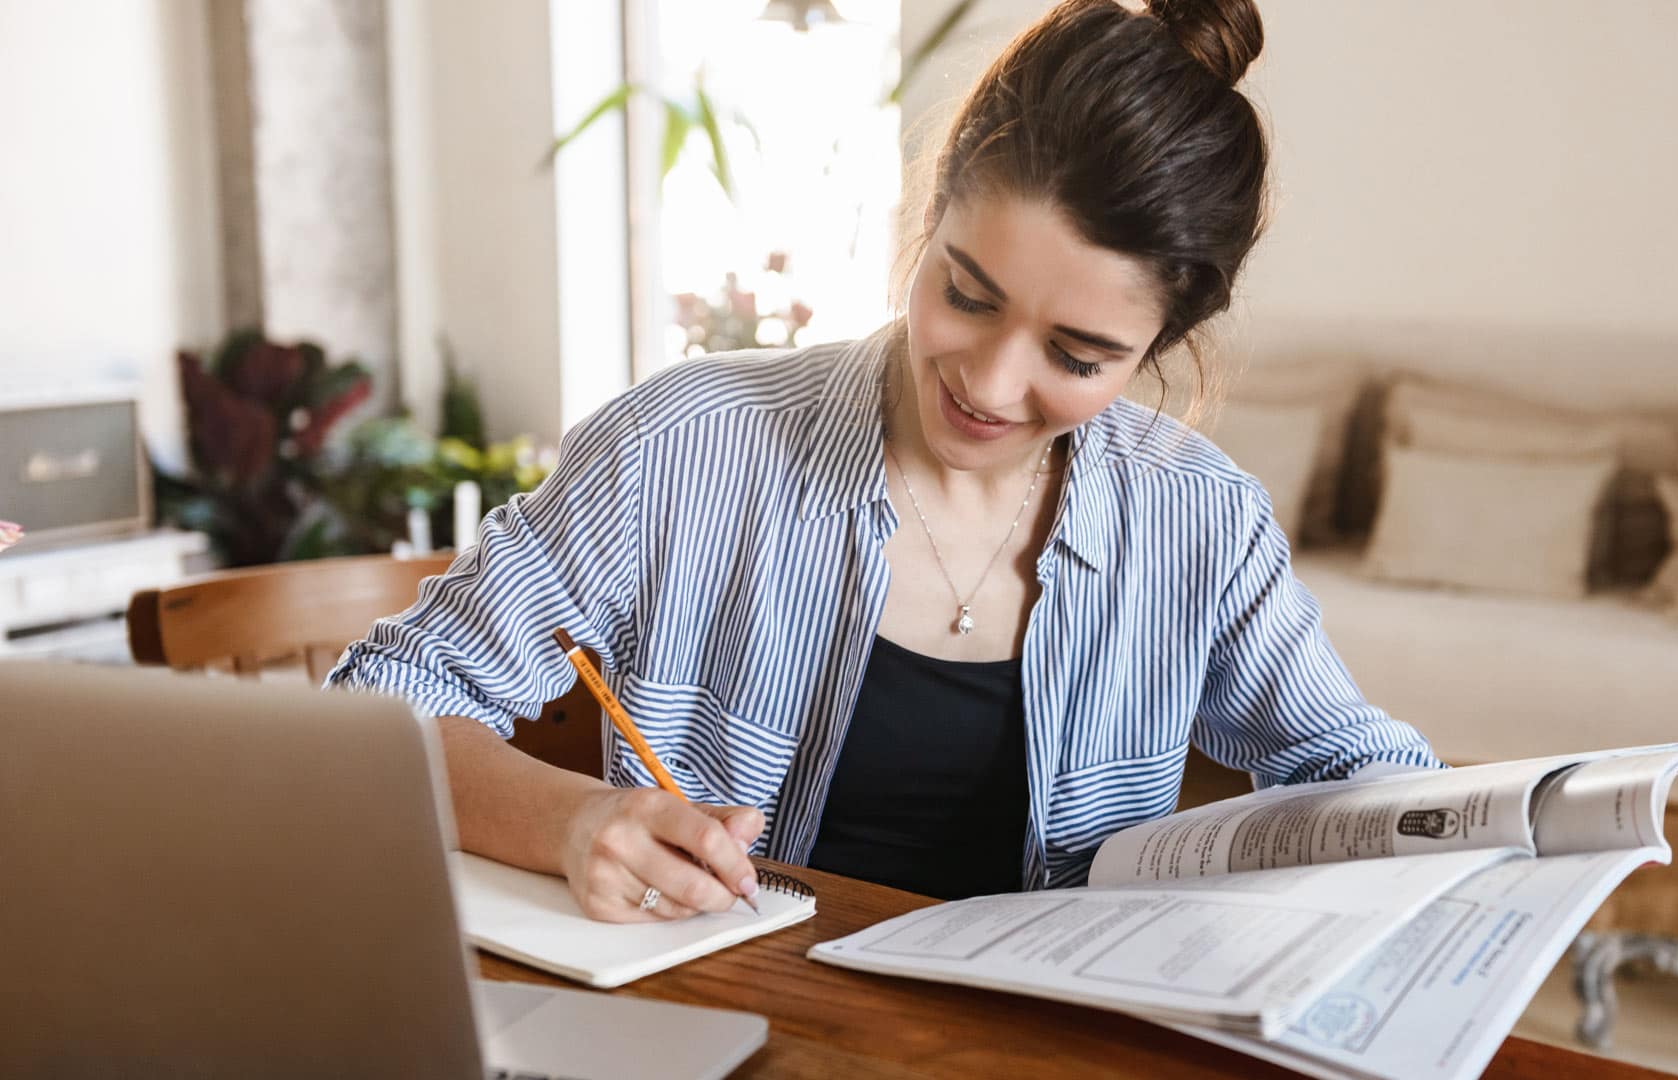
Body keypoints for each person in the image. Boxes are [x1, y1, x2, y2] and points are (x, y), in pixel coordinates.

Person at [327, 0, 1437, 921]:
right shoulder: (686, 449)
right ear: (932, 202)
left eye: (1079, 354)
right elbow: (379, 711)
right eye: (966, 292)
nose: (991, 385)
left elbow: (1356, 773)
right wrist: (579, 823)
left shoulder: (1200, 521)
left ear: (1162, 347)